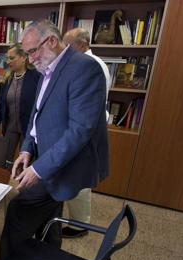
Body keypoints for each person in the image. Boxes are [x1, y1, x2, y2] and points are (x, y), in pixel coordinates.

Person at [0, 20, 109, 260]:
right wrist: (27, 149)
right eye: (27, 53)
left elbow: (80, 130)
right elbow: (38, 116)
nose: (30, 58)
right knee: (50, 218)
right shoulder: (47, 69)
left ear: (51, 42)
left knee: (19, 208)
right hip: (49, 157)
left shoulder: (84, 68)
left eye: (33, 51)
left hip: (65, 164)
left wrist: (38, 168)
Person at [61, 27, 112, 238]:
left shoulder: (91, 65)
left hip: (84, 129)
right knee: (72, 175)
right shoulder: (82, 62)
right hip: (80, 126)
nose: (64, 49)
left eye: (68, 45)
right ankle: (76, 220)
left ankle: (80, 225)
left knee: (78, 177)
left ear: (82, 44)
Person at [0, 43, 41, 161]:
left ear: (23, 58)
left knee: (25, 162)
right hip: (10, 127)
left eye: (12, 58)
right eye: (7, 58)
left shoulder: (36, 76)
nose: (8, 61)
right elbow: (0, 104)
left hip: (28, 129)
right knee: (4, 159)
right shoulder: (8, 78)